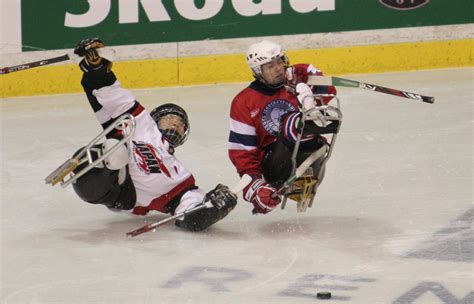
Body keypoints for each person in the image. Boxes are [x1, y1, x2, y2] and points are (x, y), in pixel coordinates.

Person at [66, 37, 237, 231]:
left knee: (116, 153)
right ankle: (93, 168)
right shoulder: (140, 123)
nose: (175, 124)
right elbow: (112, 97)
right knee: (114, 152)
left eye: (180, 124)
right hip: (114, 180)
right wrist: (97, 67)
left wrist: (212, 208)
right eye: (169, 119)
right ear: (155, 119)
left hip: (129, 198)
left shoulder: (180, 175)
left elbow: (190, 211)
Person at [228, 40, 340, 214]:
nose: (279, 68)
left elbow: (330, 90)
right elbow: (242, 151)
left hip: (311, 155)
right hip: (275, 167)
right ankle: (307, 118)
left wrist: (304, 72)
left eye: (280, 61)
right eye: (270, 65)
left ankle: (310, 117)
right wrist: (255, 188)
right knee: (289, 122)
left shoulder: (294, 84)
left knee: (311, 103)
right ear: (258, 71)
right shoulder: (243, 102)